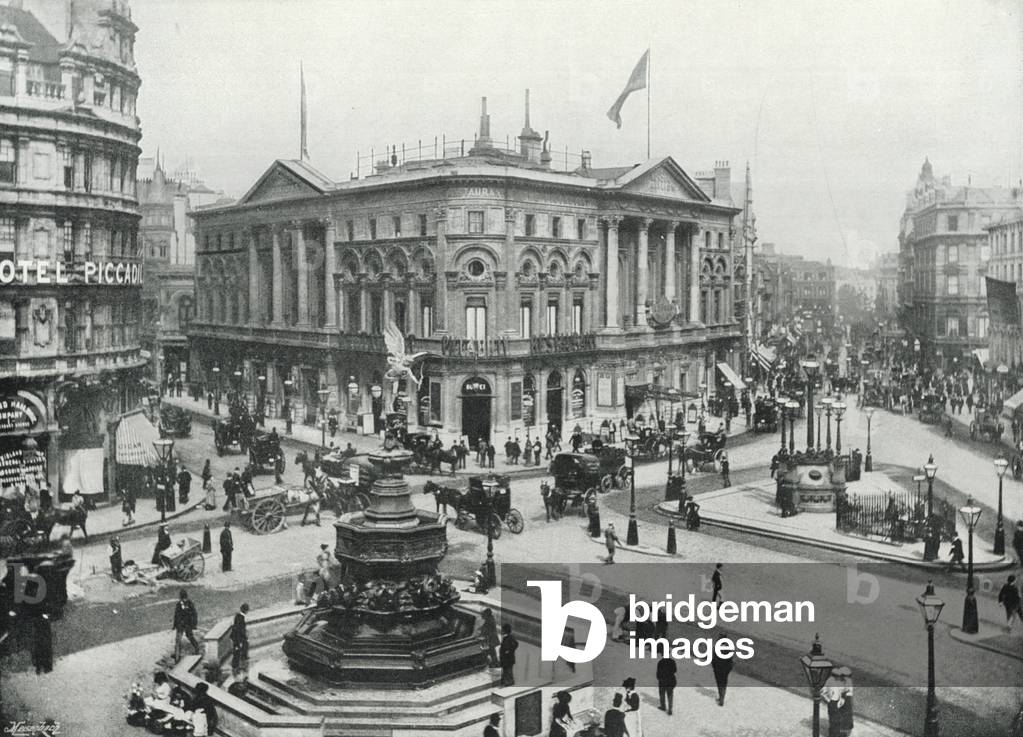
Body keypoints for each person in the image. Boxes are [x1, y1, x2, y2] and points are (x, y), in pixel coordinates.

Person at [172, 589, 200, 660]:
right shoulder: (189, 603)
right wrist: (194, 624)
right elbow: (194, 614)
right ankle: (196, 649)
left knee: (179, 640)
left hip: (183, 625)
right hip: (186, 624)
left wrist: (174, 625)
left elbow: (176, 615)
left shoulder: (180, 604)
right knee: (188, 637)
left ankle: (177, 656)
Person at [711, 639, 733, 706]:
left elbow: (714, 659)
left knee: (719, 683)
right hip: (725, 669)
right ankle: (722, 698)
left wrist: (714, 666)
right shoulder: (728, 649)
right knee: (724, 683)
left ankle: (721, 699)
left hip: (718, 669)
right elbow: (730, 661)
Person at [231, 603, 249, 671]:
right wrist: (241, 640)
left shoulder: (238, 616)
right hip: (238, 637)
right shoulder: (240, 617)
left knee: (238, 651)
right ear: (245, 610)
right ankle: (235, 667)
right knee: (237, 651)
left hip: (237, 637)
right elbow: (239, 630)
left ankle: (236, 666)